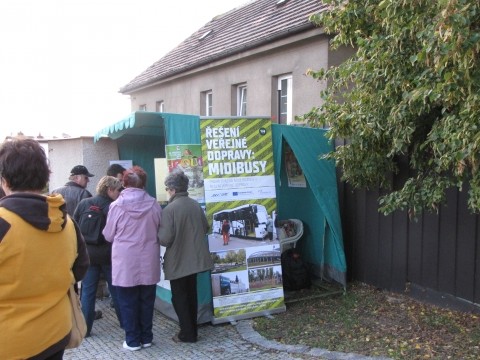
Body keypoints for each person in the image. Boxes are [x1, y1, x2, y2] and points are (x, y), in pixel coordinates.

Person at [0, 138, 89, 360]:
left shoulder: (4, 223)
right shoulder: (65, 221)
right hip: (55, 333)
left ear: (4, 180)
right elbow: (80, 269)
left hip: (10, 341)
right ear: (44, 177)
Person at [102, 166, 162, 351]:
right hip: (148, 257)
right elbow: (160, 229)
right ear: (144, 183)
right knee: (147, 300)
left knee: (127, 301)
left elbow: (108, 235)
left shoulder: (116, 206)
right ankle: (147, 337)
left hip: (125, 261)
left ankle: (132, 340)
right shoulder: (154, 204)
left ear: (124, 183)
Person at [158, 170, 214, 343]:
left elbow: (165, 239)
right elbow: (206, 228)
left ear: (173, 189)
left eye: (167, 189)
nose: (167, 192)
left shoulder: (170, 209)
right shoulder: (195, 205)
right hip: (195, 259)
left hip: (178, 260)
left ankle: (187, 334)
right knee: (191, 295)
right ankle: (193, 330)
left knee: (179, 298)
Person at [73, 176, 123, 337]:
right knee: (116, 290)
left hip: (88, 255)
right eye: (117, 190)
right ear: (109, 189)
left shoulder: (84, 204)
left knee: (87, 292)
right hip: (108, 255)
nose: (119, 193)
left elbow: (75, 227)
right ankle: (124, 323)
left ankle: (86, 329)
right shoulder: (112, 207)